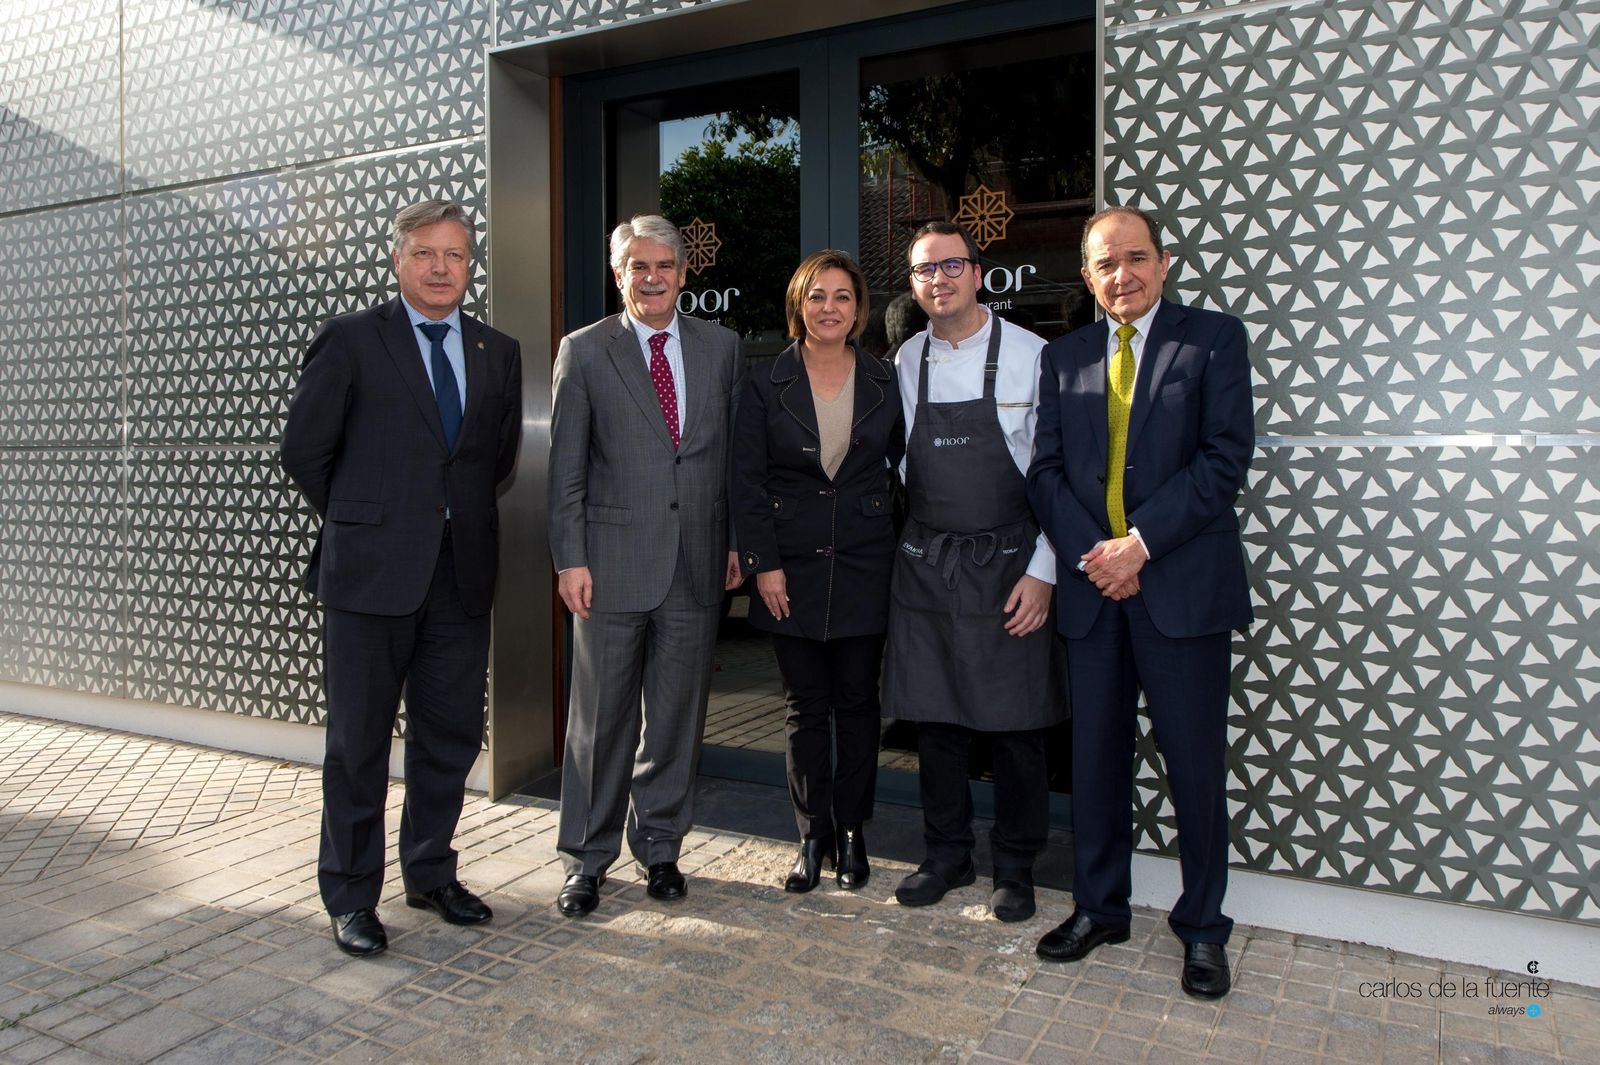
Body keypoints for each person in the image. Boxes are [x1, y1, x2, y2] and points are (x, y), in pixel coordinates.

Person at [280, 199, 524, 957]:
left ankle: (429, 871)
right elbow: (304, 452)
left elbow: (498, 460)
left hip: (461, 578)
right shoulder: (353, 339)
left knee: (448, 737)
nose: (442, 267)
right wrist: (366, 520)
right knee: (357, 745)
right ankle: (351, 895)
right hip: (369, 579)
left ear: (470, 263)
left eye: (455, 254)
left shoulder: (497, 350)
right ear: (399, 259)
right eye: (426, 254)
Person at [1026, 205, 1254, 999]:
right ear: (1086, 277)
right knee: (1093, 764)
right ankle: (1099, 908)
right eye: (1103, 263)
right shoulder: (1063, 357)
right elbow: (1045, 471)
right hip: (1095, 595)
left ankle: (1203, 928)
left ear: (1163, 263)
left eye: (1135, 257)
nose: (1120, 274)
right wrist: (1098, 556)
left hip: (1181, 590)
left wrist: (1140, 546)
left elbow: (1225, 460)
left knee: (1193, 767)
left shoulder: (1214, 340)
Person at [547, 214, 745, 917]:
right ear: (619, 274)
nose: (652, 277)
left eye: (664, 265)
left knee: (674, 720)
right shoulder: (585, 351)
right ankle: (585, 858)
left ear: (685, 273)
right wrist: (569, 557)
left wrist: (733, 543)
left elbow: (729, 461)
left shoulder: (721, 349)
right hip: (608, 566)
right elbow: (565, 470)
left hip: (695, 566)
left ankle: (661, 845)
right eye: (638, 266)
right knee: (599, 722)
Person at [882, 221, 1066, 923]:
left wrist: (1045, 568)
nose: (940, 279)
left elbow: (1058, 473)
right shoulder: (906, 361)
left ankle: (1016, 865)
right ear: (915, 284)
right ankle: (947, 853)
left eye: (952, 265)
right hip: (931, 565)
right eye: (926, 270)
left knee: (1017, 726)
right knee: (937, 722)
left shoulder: (1032, 355)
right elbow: (901, 463)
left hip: (1013, 565)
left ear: (978, 273)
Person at [731, 250, 904, 893]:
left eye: (842, 297)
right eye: (816, 296)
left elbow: (899, 468)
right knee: (805, 708)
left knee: (858, 705)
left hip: (866, 562)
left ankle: (854, 833)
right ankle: (812, 836)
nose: (828, 308)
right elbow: (744, 480)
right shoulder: (763, 380)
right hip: (790, 568)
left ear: (859, 309)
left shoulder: (885, 380)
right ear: (797, 305)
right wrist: (763, 566)